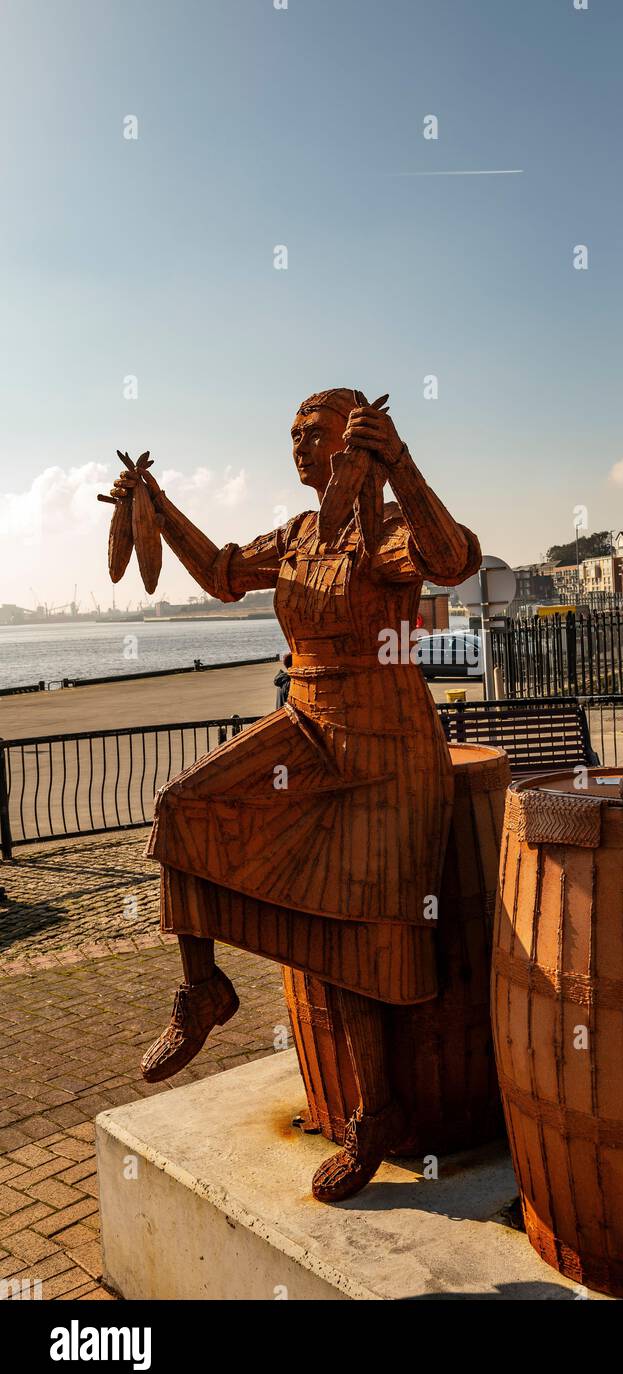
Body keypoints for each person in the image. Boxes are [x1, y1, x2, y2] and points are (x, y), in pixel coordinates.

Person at [110, 389, 480, 1200]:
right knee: (184, 805)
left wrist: (403, 462)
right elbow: (216, 575)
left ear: (355, 444)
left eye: (314, 435)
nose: (298, 448)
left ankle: (374, 1117)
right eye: (292, 437)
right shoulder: (302, 535)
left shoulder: (384, 535)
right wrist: (156, 503)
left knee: (353, 941)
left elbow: (451, 560)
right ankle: (204, 990)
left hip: (384, 747)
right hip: (307, 722)